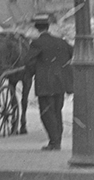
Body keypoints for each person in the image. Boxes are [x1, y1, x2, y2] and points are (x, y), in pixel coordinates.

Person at [24, 13, 74, 151]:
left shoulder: (37, 43)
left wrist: (34, 71)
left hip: (45, 83)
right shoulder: (61, 41)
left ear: (36, 28)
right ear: (48, 27)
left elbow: (28, 61)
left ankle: (54, 142)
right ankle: (57, 140)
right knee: (57, 111)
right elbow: (73, 52)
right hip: (60, 83)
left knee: (47, 112)